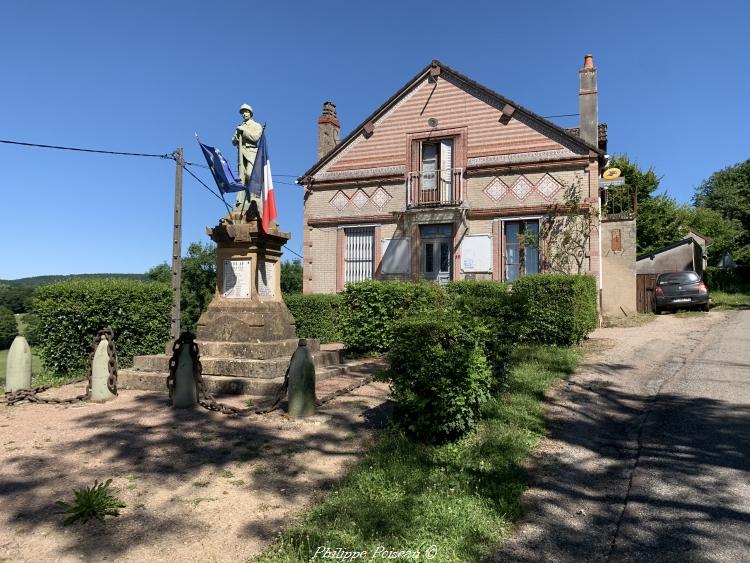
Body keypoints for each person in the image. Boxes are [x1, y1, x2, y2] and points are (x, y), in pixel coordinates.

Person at [228, 104, 263, 220]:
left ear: (250, 113)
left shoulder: (256, 125)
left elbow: (255, 138)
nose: (244, 114)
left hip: (252, 153)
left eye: (246, 111)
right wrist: (237, 135)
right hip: (241, 154)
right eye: (242, 112)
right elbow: (233, 141)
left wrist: (244, 131)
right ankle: (242, 200)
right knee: (241, 179)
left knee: (250, 175)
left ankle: (254, 199)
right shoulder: (240, 126)